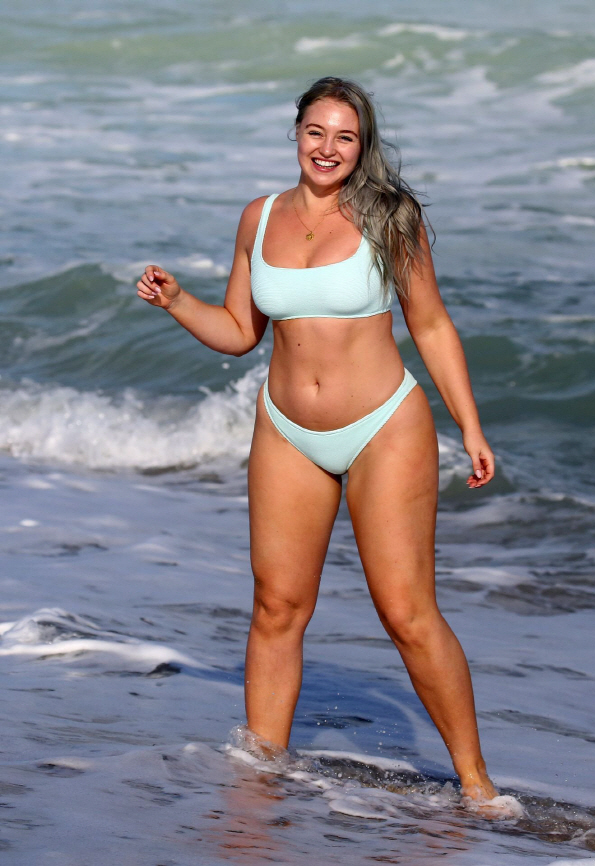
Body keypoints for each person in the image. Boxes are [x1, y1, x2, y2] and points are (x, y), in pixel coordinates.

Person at [136, 76, 499, 806]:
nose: (327, 148)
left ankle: (477, 784)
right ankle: (259, 774)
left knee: (405, 613)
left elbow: (430, 324)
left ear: (362, 146)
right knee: (277, 606)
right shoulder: (259, 217)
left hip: (382, 427)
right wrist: (176, 302)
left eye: (344, 136)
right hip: (285, 427)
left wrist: (469, 424)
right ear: (296, 133)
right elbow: (239, 332)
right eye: (316, 132)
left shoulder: (389, 218)